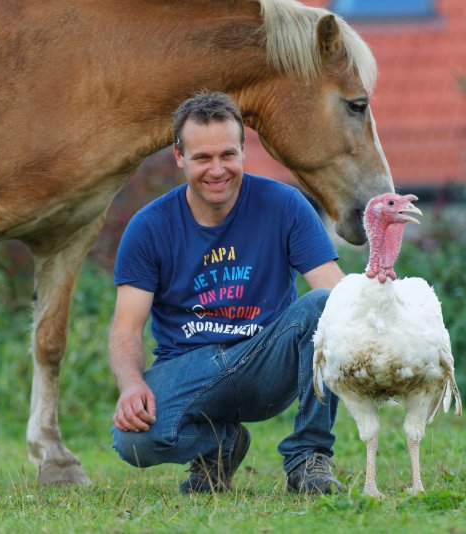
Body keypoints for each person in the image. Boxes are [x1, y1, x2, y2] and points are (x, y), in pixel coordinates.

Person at [109, 90, 345, 494]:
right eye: (202, 158)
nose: (216, 170)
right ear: (179, 156)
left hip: (267, 361)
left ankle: (309, 459)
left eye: (227, 155)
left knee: (329, 307)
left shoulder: (285, 205)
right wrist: (131, 384)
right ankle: (221, 446)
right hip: (190, 367)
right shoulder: (149, 227)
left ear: (242, 151)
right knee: (133, 441)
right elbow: (126, 328)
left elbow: (337, 296)